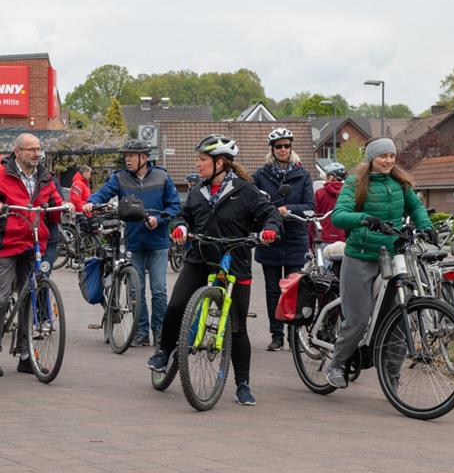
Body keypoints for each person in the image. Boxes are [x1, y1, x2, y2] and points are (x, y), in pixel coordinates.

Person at [147, 135, 281, 406]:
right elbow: (183, 214)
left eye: (202, 160)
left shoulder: (245, 191)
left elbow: (272, 214)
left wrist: (269, 230)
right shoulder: (198, 191)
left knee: (237, 327)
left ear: (220, 163)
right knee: (176, 306)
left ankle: (242, 384)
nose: (198, 164)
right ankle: (164, 352)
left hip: (235, 262)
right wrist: (180, 226)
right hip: (200, 258)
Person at [324, 137, 435, 388]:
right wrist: (364, 218)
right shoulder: (356, 182)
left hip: (392, 256)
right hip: (361, 256)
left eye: (392, 156)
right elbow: (339, 216)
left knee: (399, 317)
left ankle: (391, 375)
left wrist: (426, 226)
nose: (388, 160)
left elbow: (417, 208)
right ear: (372, 158)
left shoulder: (400, 184)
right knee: (358, 319)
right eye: (383, 156)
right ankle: (336, 365)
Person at [0, 132, 69, 377]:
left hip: (33, 242)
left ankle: (26, 354)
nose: (37, 153)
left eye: (39, 149)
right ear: (17, 152)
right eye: (31, 149)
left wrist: (64, 207)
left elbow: (54, 206)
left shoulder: (45, 177)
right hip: (6, 244)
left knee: (30, 296)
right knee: (1, 296)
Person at [83, 139, 181, 348]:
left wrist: (159, 219)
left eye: (131, 156)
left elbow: (174, 206)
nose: (127, 160)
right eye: (125, 156)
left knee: (159, 290)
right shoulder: (119, 178)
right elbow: (103, 192)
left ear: (144, 157)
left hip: (158, 242)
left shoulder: (162, 177)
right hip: (134, 242)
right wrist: (91, 202)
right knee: (136, 290)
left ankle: (160, 332)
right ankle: (141, 332)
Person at [252, 128, 314, 351]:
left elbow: (310, 206)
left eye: (287, 145)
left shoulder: (303, 174)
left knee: (293, 290)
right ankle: (276, 335)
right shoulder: (260, 175)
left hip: (295, 238)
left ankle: (293, 336)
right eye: (278, 146)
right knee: (273, 291)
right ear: (272, 149)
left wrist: (289, 209)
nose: (283, 149)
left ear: (291, 147)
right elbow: (253, 202)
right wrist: (268, 213)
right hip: (271, 238)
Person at [314, 162, 347, 245]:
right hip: (345, 238)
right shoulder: (349, 193)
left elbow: (314, 217)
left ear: (331, 177)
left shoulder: (319, 193)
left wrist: (311, 240)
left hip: (325, 237)